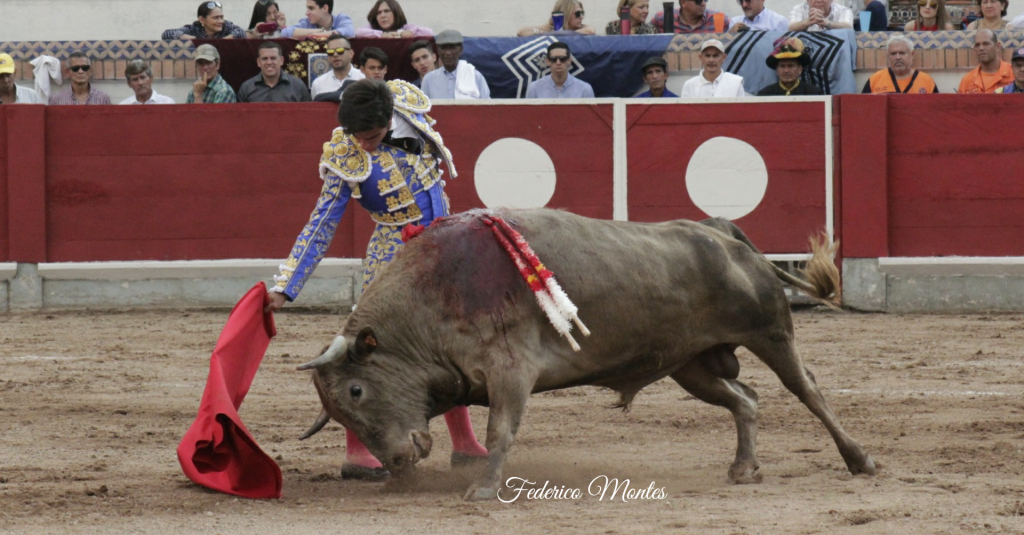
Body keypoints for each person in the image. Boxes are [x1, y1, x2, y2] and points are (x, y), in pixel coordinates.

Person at [265, 79, 489, 480]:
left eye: (371, 136)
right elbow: (321, 224)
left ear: (389, 119)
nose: (363, 146)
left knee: (451, 345)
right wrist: (285, 287)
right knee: (367, 355)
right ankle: (357, 453)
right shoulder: (346, 156)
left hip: (444, 248)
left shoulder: (407, 106)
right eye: (357, 137)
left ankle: (466, 444)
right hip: (393, 259)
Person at [421, 30, 491, 99]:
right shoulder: (429, 80)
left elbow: (487, 107)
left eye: (452, 48)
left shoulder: (475, 76)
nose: (448, 53)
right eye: (443, 48)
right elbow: (423, 107)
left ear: (461, 50)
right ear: (438, 50)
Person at [862, 34, 938, 94]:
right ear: (888, 56)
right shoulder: (875, 80)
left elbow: (936, 111)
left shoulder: (926, 81)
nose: (898, 57)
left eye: (902, 53)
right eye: (893, 53)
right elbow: (864, 109)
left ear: (912, 54)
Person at [238, 42, 312, 103]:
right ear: (258, 62)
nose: (269, 62)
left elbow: (307, 116)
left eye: (273, 58)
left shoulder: (298, 86)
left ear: (281, 60)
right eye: (264, 59)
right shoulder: (247, 88)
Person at [525, 42, 595, 98]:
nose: (558, 63)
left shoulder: (585, 89)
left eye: (562, 59)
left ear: (569, 61)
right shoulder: (534, 88)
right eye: (553, 59)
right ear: (548, 61)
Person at [757, 37, 823, 95]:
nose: (786, 70)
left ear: (800, 69)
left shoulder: (813, 93)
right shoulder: (765, 94)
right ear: (777, 70)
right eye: (782, 66)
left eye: (791, 66)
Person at [680, 39, 747, 97]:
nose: (711, 60)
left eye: (715, 56)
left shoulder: (736, 82)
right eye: (707, 56)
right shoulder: (689, 85)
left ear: (724, 58)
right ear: (701, 57)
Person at [958, 29, 1014, 93]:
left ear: (997, 46)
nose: (981, 48)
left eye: (986, 44)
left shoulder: (1014, 73)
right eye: (977, 45)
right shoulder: (967, 80)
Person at [311, 33, 365, 99]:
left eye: (340, 50)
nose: (335, 55)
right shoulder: (318, 83)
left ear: (351, 53)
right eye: (330, 51)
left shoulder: (364, 78)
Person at [162, 1, 247, 40]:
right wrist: (196, 39)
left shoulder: (226, 27)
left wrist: (222, 41)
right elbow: (167, 34)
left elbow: (241, 33)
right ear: (202, 19)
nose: (221, 21)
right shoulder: (194, 29)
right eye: (216, 17)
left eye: (221, 17)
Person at [355, 0, 433, 38]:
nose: (382, 15)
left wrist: (409, 32)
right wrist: (382, 35)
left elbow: (429, 32)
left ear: (396, 13)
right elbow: (359, 32)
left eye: (386, 11)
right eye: (379, 13)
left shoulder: (405, 27)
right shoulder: (373, 28)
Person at [281, 0, 355, 38]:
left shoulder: (341, 19)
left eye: (311, 8)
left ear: (325, 8)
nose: (307, 13)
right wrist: (320, 31)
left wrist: (324, 34)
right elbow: (284, 33)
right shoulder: (307, 22)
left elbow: (349, 32)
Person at [518, 0, 597, 36]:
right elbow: (522, 32)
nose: (582, 17)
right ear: (566, 14)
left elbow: (590, 31)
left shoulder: (583, 28)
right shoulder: (549, 28)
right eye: (578, 13)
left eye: (582, 13)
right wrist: (550, 32)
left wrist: (555, 34)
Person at [653, 0, 732, 33]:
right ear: (683, 2)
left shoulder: (720, 20)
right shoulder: (662, 19)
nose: (703, 3)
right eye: (698, 0)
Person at [788, 0, 853, 31]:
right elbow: (791, 28)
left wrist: (827, 23)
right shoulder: (798, 9)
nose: (818, 1)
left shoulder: (843, 10)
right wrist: (807, 22)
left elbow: (848, 28)